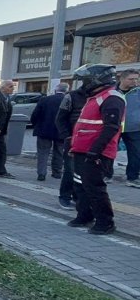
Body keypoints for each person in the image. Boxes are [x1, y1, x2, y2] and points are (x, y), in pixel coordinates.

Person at [68, 64, 126, 235]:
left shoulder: (111, 98)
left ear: (96, 80)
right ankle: (84, 215)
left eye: (85, 81)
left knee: (94, 187)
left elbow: (111, 127)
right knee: (80, 185)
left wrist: (95, 151)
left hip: (96, 152)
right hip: (82, 150)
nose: (83, 85)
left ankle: (105, 222)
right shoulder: (96, 97)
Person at [55, 76, 92, 210]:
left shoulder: (101, 97)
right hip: (73, 141)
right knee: (71, 170)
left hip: (92, 142)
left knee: (86, 172)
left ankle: (79, 197)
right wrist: (67, 137)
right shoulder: (71, 97)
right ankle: (65, 197)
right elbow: (60, 119)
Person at [31, 83, 68, 181]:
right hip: (61, 131)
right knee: (59, 152)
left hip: (44, 130)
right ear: (66, 91)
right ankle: (57, 172)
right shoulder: (67, 100)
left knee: (43, 152)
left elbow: (35, 114)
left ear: (56, 90)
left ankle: (41, 174)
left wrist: (36, 125)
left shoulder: (45, 99)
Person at [117, 69, 140, 187]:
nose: (134, 81)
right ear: (122, 79)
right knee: (107, 152)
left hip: (134, 128)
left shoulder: (138, 92)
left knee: (136, 153)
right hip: (114, 126)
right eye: (131, 79)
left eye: (136, 79)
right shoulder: (112, 91)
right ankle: (106, 174)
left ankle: (132, 177)